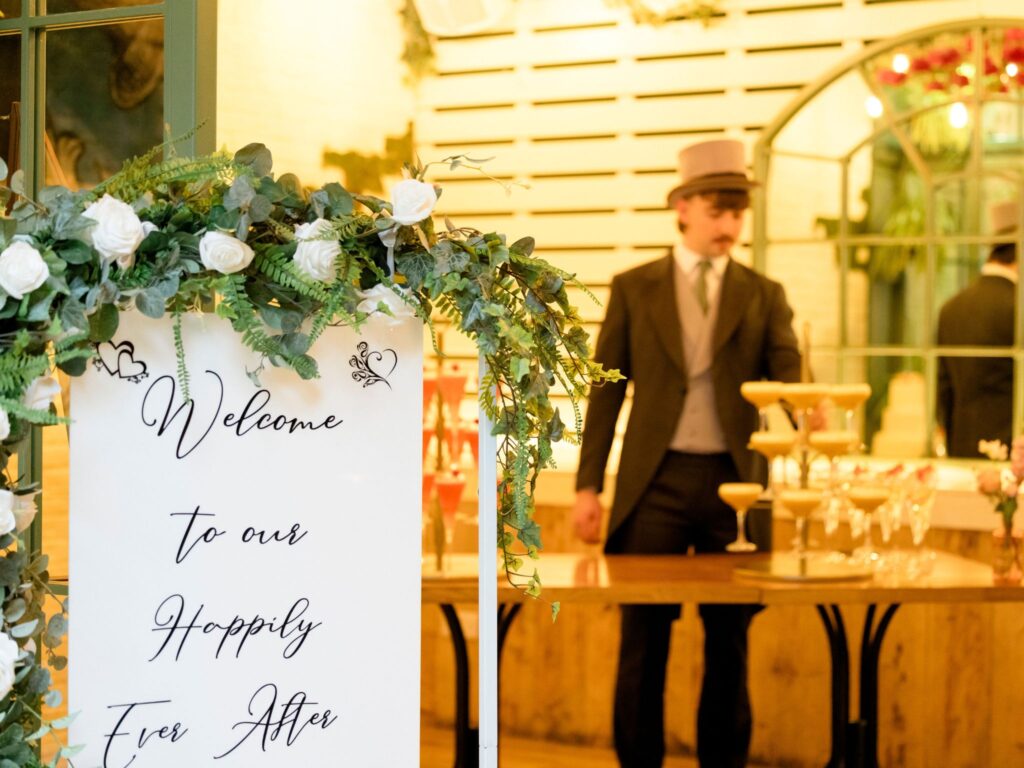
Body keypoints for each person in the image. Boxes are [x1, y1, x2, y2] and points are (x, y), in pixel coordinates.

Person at [573, 138, 804, 768]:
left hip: (738, 488)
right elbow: (605, 394)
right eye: (716, 210)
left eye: (737, 212)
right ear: (681, 208)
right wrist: (587, 487)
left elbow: (790, 381)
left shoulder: (764, 294)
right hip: (655, 485)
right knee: (643, 640)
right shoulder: (633, 288)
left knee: (730, 643)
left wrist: (812, 406)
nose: (729, 224)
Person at [937, 201, 1019, 458]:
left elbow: (943, 391)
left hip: (960, 450)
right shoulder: (1018, 308)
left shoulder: (950, 308)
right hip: (1011, 458)